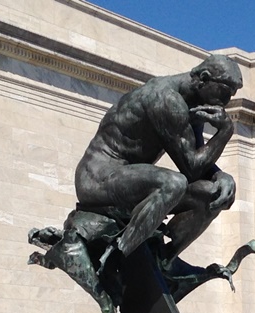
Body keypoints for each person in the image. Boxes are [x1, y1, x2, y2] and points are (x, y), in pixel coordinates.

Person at [74, 54, 243, 270]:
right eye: (224, 92)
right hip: (97, 178)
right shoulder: (165, 99)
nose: (226, 102)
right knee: (173, 183)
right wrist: (225, 132)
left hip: (129, 180)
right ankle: (121, 259)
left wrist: (221, 176)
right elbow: (191, 169)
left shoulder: (194, 104)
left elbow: (200, 160)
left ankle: (163, 262)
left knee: (215, 194)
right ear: (203, 78)